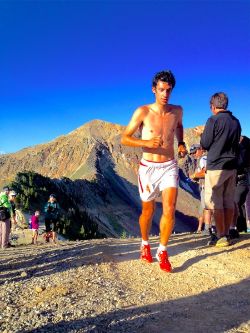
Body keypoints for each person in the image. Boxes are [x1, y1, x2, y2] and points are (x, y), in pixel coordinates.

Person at [121, 70, 186, 272]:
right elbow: (125, 138)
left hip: (169, 165)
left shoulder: (177, 111)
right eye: (161, 90)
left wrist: (181, 143)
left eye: (168, 90)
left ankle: (163, 251)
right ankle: (145, 243)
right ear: (153, 90)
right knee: (148, 211)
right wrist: (146, 142)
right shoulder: (143, 112)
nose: (165, 94)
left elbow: (179, 127)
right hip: (148, 168)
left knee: (169, 208)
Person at [195, 92, 241, 247]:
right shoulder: (236, 122)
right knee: (229, 201)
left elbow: (206, 143)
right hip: (232, 166)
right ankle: (228, 233)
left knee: (216, 202)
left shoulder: (212, 120)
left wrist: (202, 134)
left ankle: (221, 235)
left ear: (213, 106)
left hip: (216, 167)